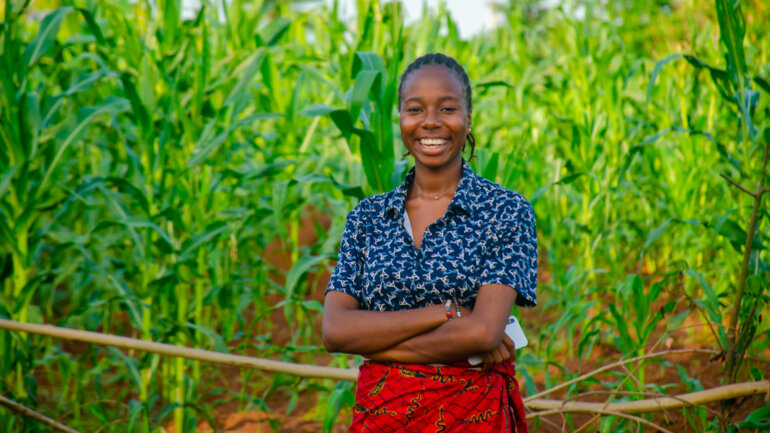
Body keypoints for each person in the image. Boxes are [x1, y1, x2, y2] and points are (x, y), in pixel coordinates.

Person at [322, 52, 537, 433]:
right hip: (382, 415)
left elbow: (484, 332)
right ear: (401, 120)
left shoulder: (505, 211)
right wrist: (447, 312)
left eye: (448, 108)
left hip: (473, 416)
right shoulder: (367, 218)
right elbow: (335, 331)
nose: (431, 122)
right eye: (415, 108)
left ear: (468, 118)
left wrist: (372, 344)